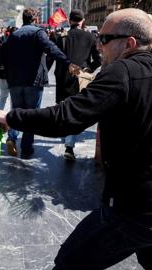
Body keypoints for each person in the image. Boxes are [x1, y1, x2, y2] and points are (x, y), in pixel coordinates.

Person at [0, 8, 152, 270]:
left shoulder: (121, 71)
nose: (98, 45)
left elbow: (67, 118)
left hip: (140, 212)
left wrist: (12, 117)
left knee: (68, 267)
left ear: (129, 43)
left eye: (105, 39)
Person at [1, 7, 80, 159]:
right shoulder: (38, 33)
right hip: (33, 81)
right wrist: (68, 63)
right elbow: (52, 49)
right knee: (31, 115)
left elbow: (2, 56)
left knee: (16, 110)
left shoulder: (13, 35)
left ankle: (11, 137)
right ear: (35, 19)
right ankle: (26, 148)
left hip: (15, 81)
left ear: (23, 19)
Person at [53, 9, 101, 161]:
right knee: (74, 110)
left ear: (70, 21)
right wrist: (88, 69)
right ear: (83, 21)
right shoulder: (90, 36)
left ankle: (67, 137)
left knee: (63, 107)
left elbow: (54, 57)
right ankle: (69, 145)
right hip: (80, 78)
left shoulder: (61, 36)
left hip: (62, 77)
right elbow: (98, 60)